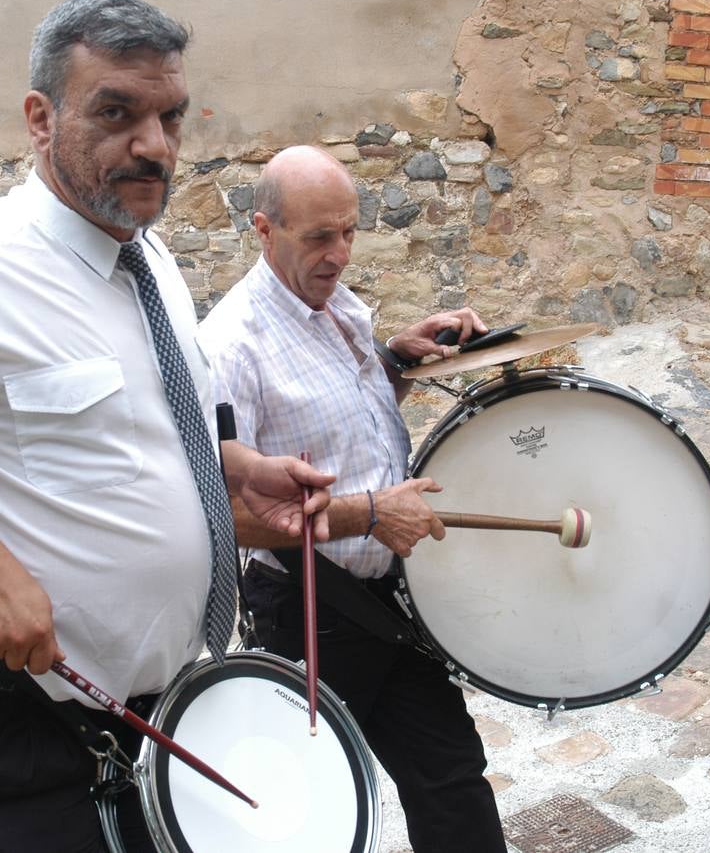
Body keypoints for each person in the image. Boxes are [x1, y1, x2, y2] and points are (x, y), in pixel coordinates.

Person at [0, 0, 331, 852]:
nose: (154, 145)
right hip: (19, 729)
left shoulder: (148, 255)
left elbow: (137, 422)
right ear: (40, 119)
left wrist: (229, 464)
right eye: (116, 112)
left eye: (170, 117)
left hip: (161, 711)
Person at [198, 144, 505, 852]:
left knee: (451, 778)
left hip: (392, 601)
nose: (338, 254)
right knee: (303, 813)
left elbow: (340, 423)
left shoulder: (337, 306)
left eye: (347, 232)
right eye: (318, 237)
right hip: (311, 614)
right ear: (263, 230)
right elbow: (224, 514)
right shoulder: (229, 347)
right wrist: (368, 514)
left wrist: (394, 361)